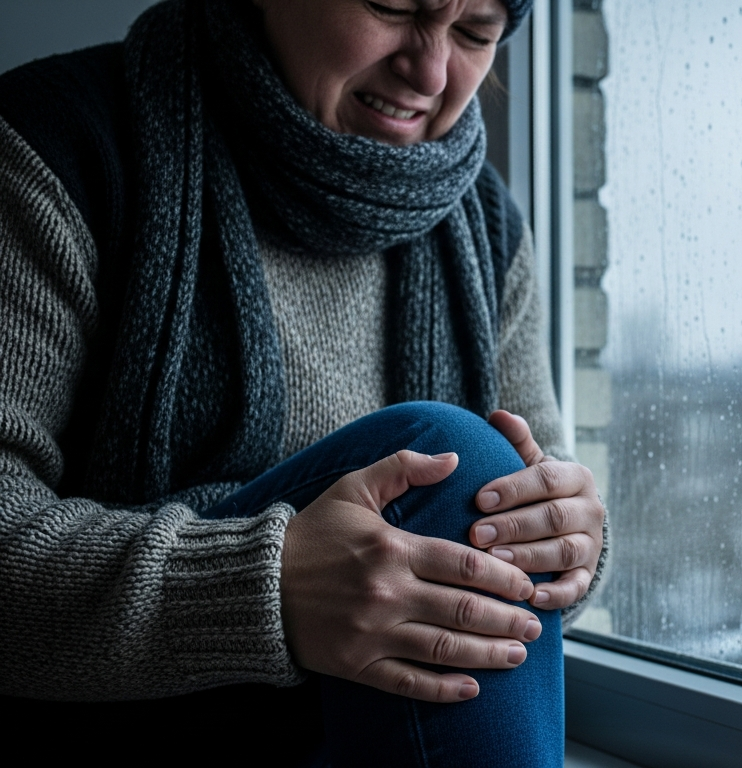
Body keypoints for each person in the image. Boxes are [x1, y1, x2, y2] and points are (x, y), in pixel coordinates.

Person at [0, 0, 606, 764]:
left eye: (474, 33)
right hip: (109, 718)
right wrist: (264, 587)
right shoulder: (56, 146)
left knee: (476, 471)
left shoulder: (484, 222)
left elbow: (519, 561)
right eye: (393, 7)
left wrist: (568, 538)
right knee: (452, 454)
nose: (429, 69)